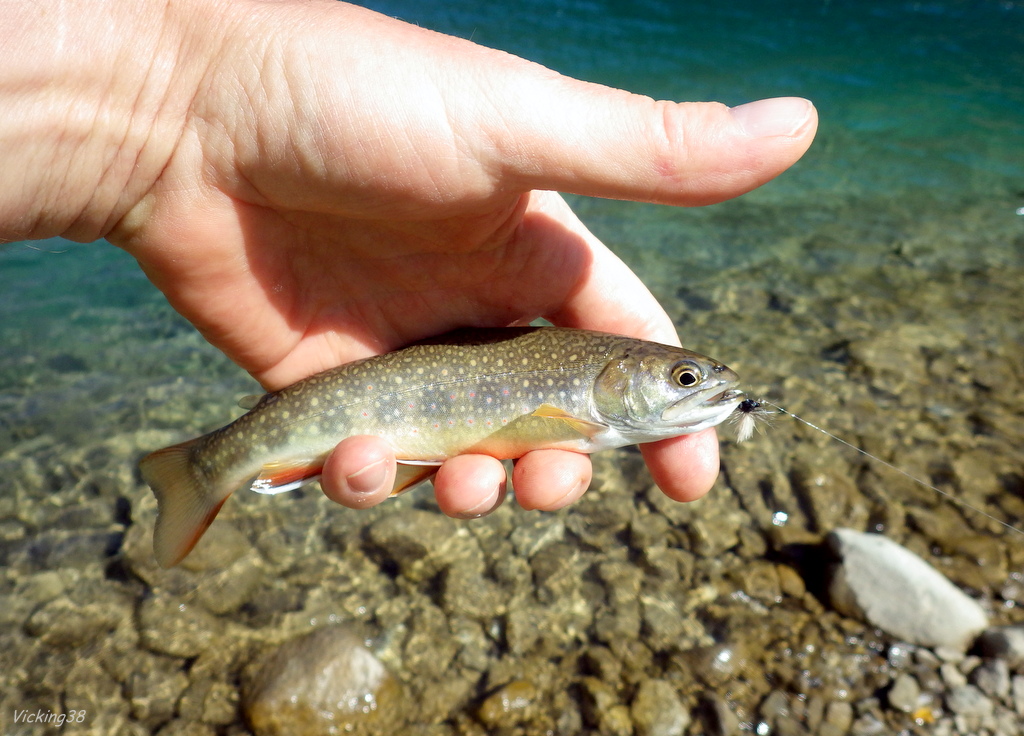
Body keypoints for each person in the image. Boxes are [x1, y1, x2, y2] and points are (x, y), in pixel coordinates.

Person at [2, 0, 816, 519]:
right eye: (682, 379)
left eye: (690, 381)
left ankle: (215, 468)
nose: (702, 389)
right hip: (371, 395)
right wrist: (168, 114)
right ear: (619, 377)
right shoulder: (585, 399)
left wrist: (163, 116)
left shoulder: (589, 393)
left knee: (386, 470)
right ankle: (209, 466)